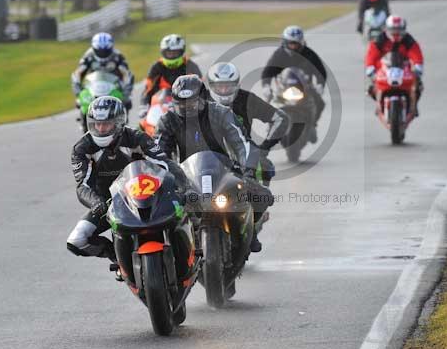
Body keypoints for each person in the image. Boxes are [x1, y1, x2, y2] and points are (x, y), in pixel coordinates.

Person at [156, 74, 273, 252]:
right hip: (187, 175)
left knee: (263, 196)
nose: (188, 108)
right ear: (175, 102)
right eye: (182, 104)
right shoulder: (168, 121)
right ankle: (177, 248)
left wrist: (248, 170)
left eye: (192, 103)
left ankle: (250, 230)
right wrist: (166, 177)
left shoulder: (221, 113)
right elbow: (159, 153)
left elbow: (242, 144)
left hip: (225, 171)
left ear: (203, 98)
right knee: (161, 208)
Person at [67, 96, 191, 260]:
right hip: (108, 203)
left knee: (186, 210)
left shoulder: (137, 138)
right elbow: (82, 186)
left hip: (147, 196)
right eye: (97, 123)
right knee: (77, 240)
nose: (101, 128)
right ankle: (118, 259)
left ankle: (188, 253)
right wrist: (96, 202)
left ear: (119, 122)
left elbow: (166, 164)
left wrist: (184, 186)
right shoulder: (82, 149)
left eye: (106, 123)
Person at [206, 61, 290, 186]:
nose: (224, 90)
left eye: (228, 86)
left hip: (243, 152)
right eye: (219, 86)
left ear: (237, 84)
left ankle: (255, 200)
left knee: (264, 167)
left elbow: (281, 118)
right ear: (211, 86)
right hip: (208, 154)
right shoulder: (201, 101)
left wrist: (264, 148)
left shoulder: (248, 99)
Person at [260, 26, 327, 142]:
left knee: (320, 103)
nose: (294, 46)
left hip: (305, 88)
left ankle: (312, 125)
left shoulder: (309, 54)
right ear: (285, 42)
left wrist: (320, 84)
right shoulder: (279, 54)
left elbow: (321, 71)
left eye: (296, 44)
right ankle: (271, 126)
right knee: (268, 101)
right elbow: (267, 72)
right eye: (291, 43)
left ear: (301, 42)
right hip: (283, 88)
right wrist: (266, 86)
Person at [365, 15, 425, 116]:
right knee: (371, 88)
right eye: (393, 30)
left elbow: (416, 54)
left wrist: (418, 67)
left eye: (399, 30)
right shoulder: (380, 40)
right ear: (387, 29)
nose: (396, 33)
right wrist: (370, 68)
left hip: (404, 69)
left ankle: (413, 107)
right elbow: (371, 54)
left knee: (418, 86)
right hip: (384, 69)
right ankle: (379, 105)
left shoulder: (408, 40)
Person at [139, 34, 202, 120]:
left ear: (181, 52)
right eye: (169, 53)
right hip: (162, 106)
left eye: (175, 53)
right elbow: (148, 90)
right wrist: (144, 106)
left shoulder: (190, 65)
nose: (172, 55)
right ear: (163, 52)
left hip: (187, 105)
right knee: (143, 124)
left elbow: (201, 87)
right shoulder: (156, 67)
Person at [71, 32, 134, 109]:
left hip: (114, 87)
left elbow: (126, 74)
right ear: (94, 48)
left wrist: (126, 93)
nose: (102, 53)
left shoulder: (117, 56)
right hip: (93, 87)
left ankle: (121, 116)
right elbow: (78, 73)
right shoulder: (88, 56)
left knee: (127, 103)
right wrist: (79, 91)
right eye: (100, 51)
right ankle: (84, 117)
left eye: (105, 51)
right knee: (80, 102)